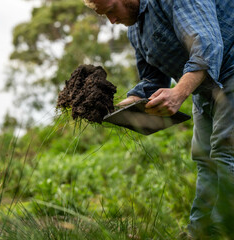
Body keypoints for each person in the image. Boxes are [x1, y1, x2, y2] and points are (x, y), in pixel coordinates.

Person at [83, 0, 234, 239]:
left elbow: (207, 45)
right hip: (204, 89)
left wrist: (179, 93)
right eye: (105, 16)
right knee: (205, 158)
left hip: (230, 70)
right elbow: (152, 79)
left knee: (226, 153)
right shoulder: (136, 29)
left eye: (112, 10)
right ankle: (200, 233)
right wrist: (118, 107)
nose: (112, 21)